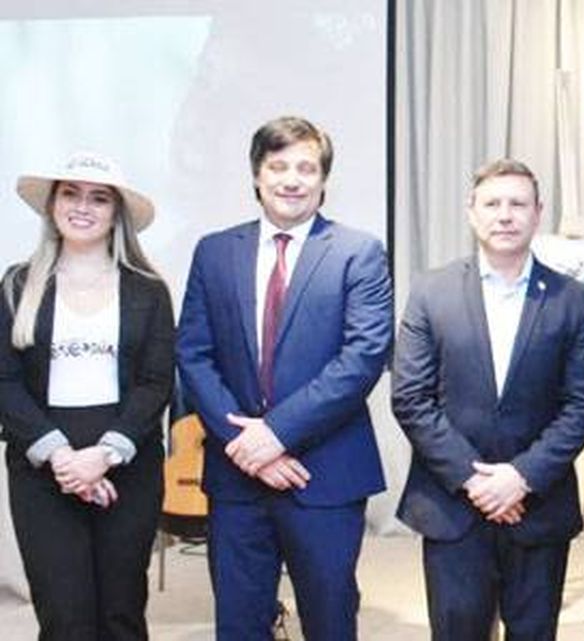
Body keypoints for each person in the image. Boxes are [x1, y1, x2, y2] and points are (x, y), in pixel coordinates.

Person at [176, 116, 393, 640]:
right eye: (278, 166)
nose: (291, 179)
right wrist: (245, 444)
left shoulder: (357, 252)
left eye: (305, 167)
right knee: (240, 623)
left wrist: (275, 435)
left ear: (323, 179)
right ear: (256, 175)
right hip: (237, 476)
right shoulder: (214, 251)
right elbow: (194, 353)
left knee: (330, 619)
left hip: (325, 473)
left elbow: (363, 357)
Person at [391, 158, 584, 640]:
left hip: (538, 506)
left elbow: (582, 405)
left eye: (518, 204)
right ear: (471, 212)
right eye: (492, 203)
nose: (505, 215)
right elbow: (410, 397)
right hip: (453, 508)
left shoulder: (572, 299)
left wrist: (521, 478)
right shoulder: (431, 291)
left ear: (537, 212)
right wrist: (475, 480)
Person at [0, 152, 173, 640]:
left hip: (127, 466)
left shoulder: (148, 289)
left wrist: (104, 454)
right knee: (64, 617)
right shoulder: (17, 284)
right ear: (52, 205)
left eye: (99, 198)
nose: (83, 207)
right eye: (71, 194)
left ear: (116, 213)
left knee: (120, 613)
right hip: (41, 470)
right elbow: (5, 381)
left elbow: (156, 382)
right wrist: (61, 457)